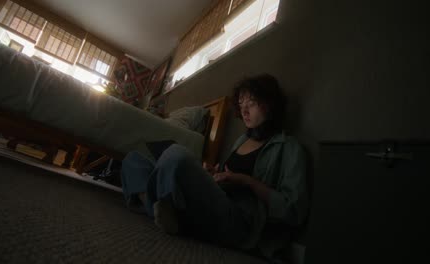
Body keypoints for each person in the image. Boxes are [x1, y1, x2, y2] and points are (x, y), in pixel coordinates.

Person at [120, 74, 309, 261]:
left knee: (176, 153)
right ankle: (167, 213)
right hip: (217, 201)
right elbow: (226, 178)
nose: (244, 112)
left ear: (269, 105)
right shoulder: (241, 140)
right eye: (241, 105)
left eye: (250, 104)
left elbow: (292, 210)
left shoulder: (289, 147)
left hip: (242, 221)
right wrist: (212, 174)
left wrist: (247, 181)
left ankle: (159, 207)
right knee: (133, 159)